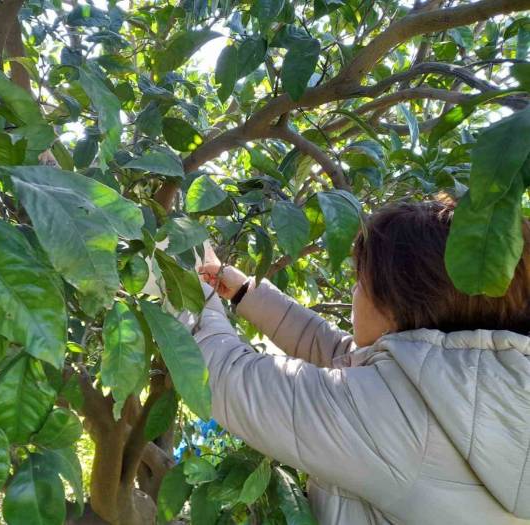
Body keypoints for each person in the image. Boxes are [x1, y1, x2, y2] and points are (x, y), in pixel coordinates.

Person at [186, 199, 530, 525]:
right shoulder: (475, 383)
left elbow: (225, 379)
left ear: (399, 308)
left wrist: (185, 282)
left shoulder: (401, 418)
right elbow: (339, 351)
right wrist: (246, 291)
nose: (354, 292)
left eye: (360, 282)